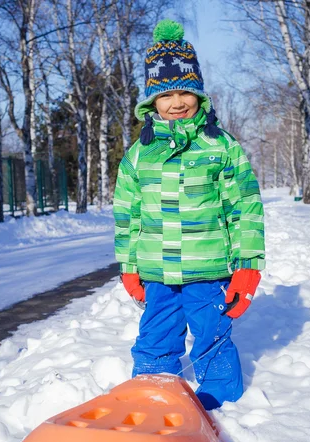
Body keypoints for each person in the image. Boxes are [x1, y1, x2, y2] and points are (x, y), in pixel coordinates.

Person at [113, 19, 265, 410]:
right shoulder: (138, 154)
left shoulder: (220, 146)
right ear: (152, 100)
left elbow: (244, 207)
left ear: (198, 92)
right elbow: (127, 215)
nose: (177, 101)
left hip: (208, 269)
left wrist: (247, 265)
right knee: (155, 337)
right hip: (157, 273)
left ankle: (222, 403)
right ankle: (152, 394)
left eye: (186, 91)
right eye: (166, 94)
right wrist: (129, 266)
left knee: (212, 333)